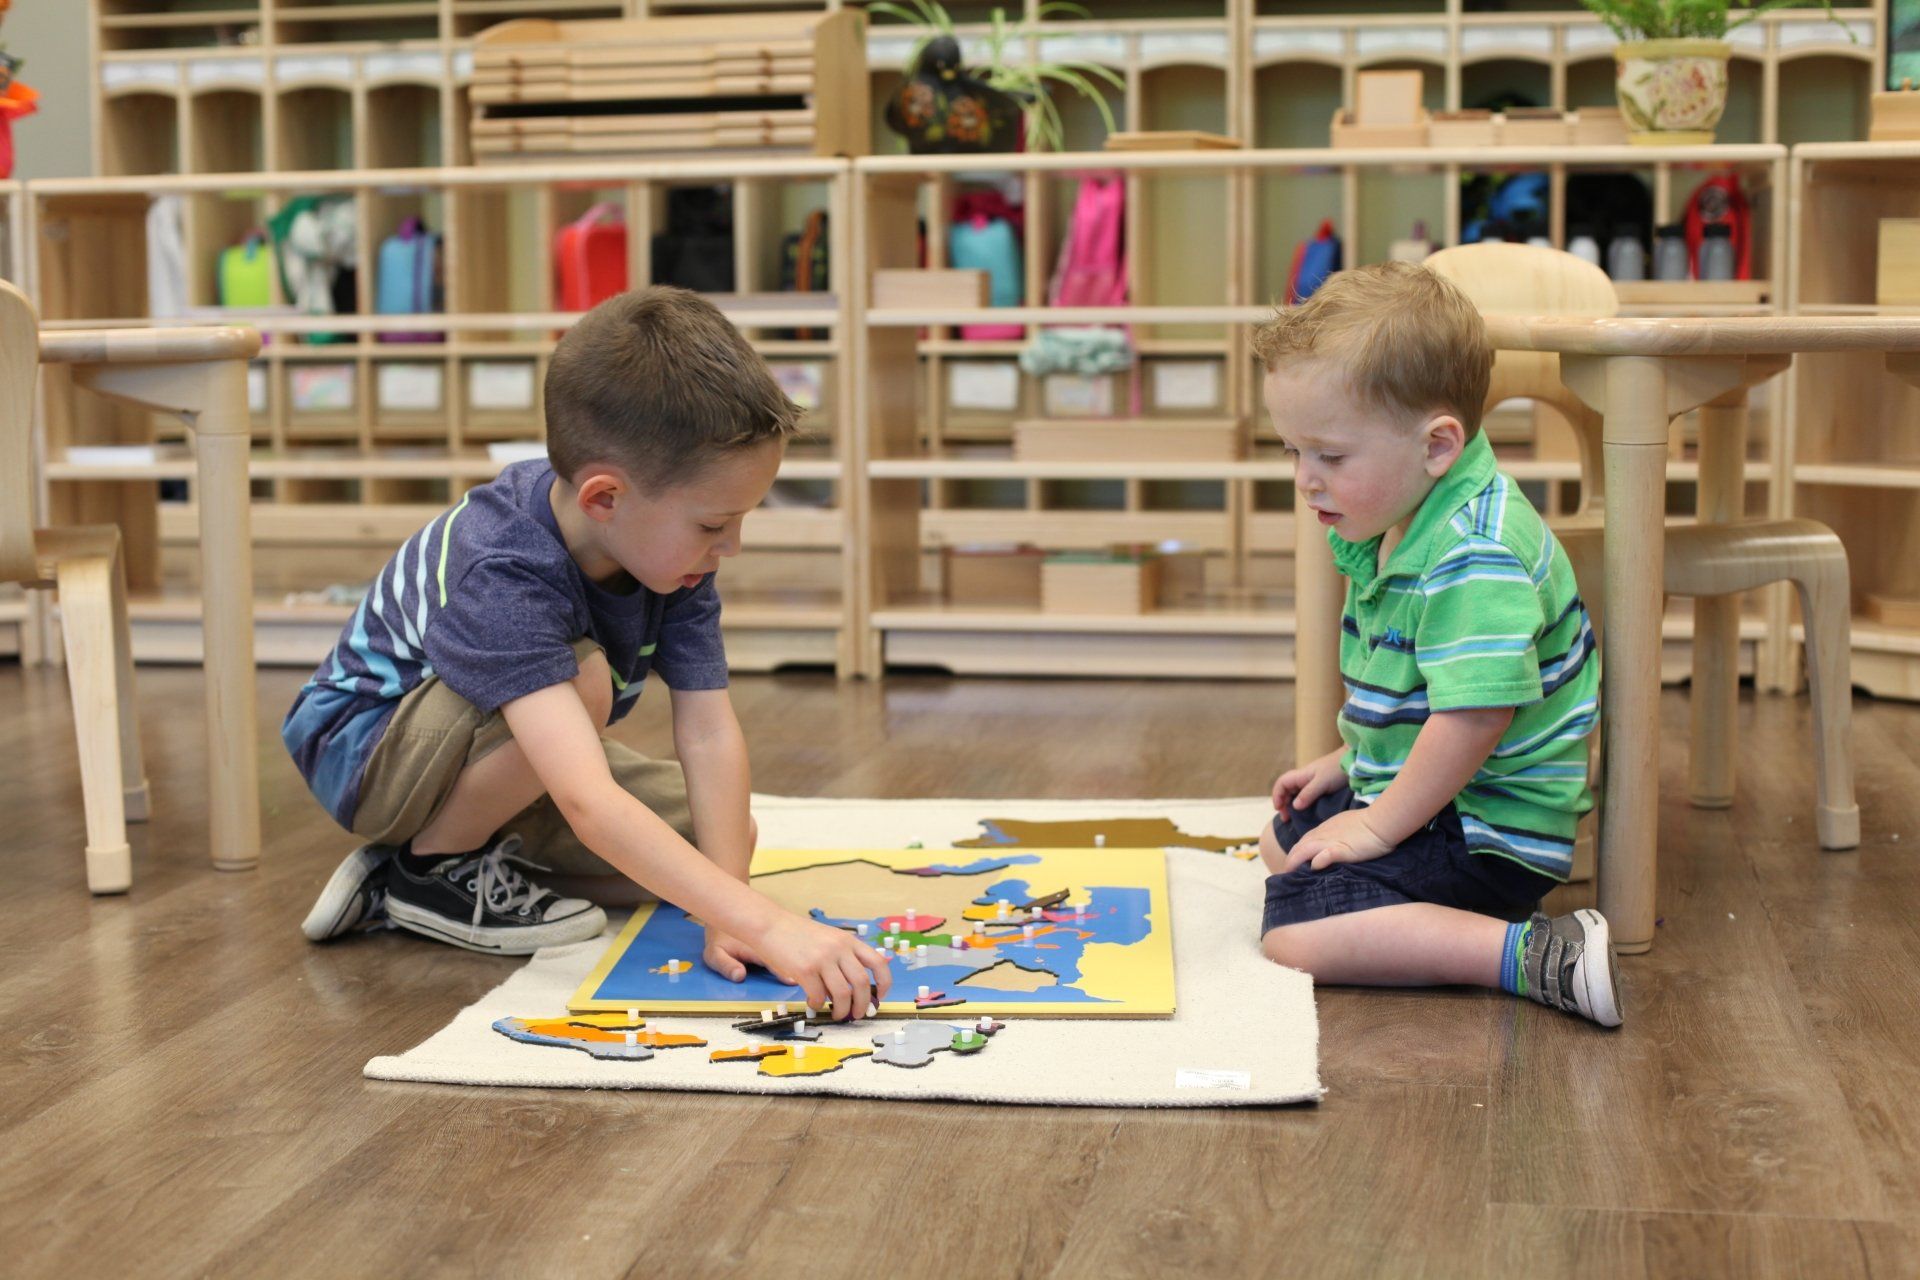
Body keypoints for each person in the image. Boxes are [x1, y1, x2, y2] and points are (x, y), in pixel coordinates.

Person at [284, 287, 890, 1018]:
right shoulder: (499, 567)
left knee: (717, 844)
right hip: (368, 748)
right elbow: (587, 800)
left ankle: (478, 848)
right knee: (587, 681)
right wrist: (765, 922)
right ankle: (420, 871)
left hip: (500, 748)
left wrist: (728, 910)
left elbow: (706, 728)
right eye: (714, 524)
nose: (731, 546)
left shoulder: (671, 554)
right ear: (605, 498)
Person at [1252, 261, 1620, 1027]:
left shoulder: (1472, 553)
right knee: (1285, 840)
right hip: (1448, 797)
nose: (1305, 480)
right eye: (1293, 452)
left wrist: (1380, 822)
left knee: (1292, 936)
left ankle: (1529, 955)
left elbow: (1475, 719)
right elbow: (1418, 693)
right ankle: (1397, 904)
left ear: (1437, 445)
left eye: (1330, 456)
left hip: (1490, 833)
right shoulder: (1406, 519)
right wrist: (1348, 762)